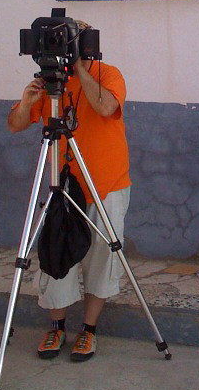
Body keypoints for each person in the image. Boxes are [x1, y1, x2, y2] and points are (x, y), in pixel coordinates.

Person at [8, 20, 131, 362]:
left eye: (68, 41)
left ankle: (88, 331)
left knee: (102, 259)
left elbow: (106, 107)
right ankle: (56, 327)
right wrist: (26, 100)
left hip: (105, 185)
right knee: (54, 254)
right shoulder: (48, 85)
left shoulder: (109, 73)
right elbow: (17, 123)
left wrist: (79, 67)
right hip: (62, 187)